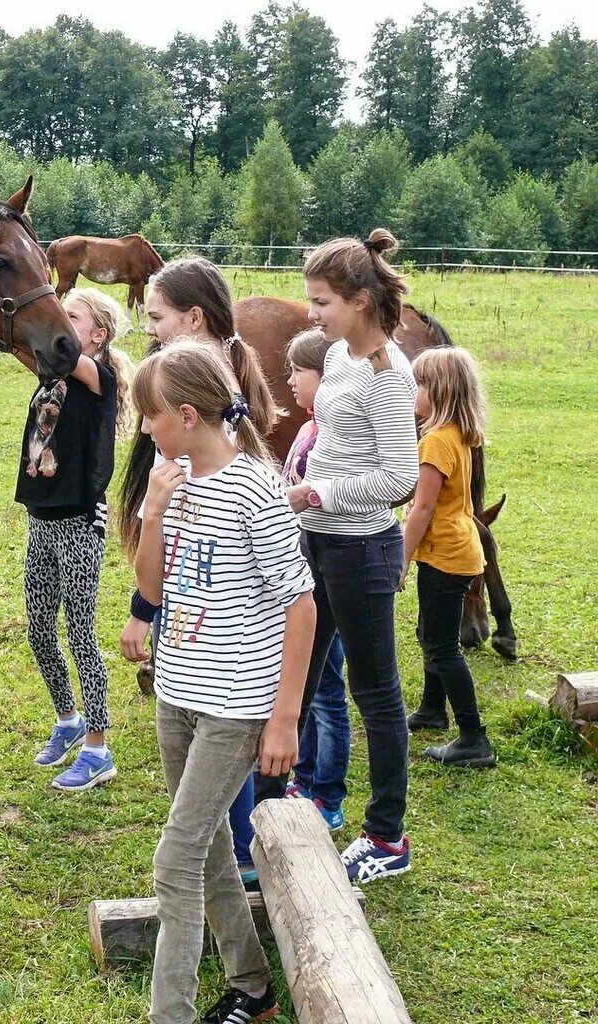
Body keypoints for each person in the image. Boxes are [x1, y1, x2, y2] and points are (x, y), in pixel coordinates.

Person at [133, 339, 315, 1024]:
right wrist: (152, 509)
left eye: (150, 415)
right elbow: (152, 588)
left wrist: (285, 718)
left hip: (234, 706)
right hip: (175, 693)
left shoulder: (254, 489)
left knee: (175, 861)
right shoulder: (172, 480)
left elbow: (302, 603)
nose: (144, 428)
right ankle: (253, 985)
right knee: (204, 847)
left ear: (186, 414)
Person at [115, 256, 280, 887]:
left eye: (156, 319)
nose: (150, 330)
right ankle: (225, 867)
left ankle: (237, 856)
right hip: (191, 630)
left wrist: (143, 609)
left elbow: (286, 595)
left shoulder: (209, 430)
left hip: (223, 650)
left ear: (194, 319)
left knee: (217, 763)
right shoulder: (193, 406)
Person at [275, 228, 420, 885]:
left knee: (375, 692)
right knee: (298, 675)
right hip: (318, 537)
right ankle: (276, 801)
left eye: (323, 301)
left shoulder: (391, 375)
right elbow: (332, 440)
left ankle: (386, 837)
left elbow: (399, 479)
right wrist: (296, 485)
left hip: (362, 549)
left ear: (361, 300)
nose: (312, 313)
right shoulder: (337, 358)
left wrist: (322, 491)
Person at [15, 287, 135, 792]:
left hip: (80, 521)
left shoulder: (98, 378)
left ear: (97, 334)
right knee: (39, 626)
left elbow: (67, 358)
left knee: (80, 630)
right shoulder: (53, 375)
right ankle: (68, 718)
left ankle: (98, 747)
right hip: (42, 517)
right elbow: (29, 347)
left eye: (71, 316)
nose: (59, 322)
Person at [401, 346, 497, 767]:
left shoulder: (436, 442)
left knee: (443, 646)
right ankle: (432, 709)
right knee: (434, 635)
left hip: (444, 554)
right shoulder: (459, 433)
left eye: (418, 385)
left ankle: (474, 737)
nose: (413, 392)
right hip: (456, 549)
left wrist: (400, 558)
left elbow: (422, 508)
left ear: (438, 392)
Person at [280, 328, 350, 833]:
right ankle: (302, 777)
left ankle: (328, 792)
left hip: (326, 568)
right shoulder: (308, 429)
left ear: (325, 380)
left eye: (296, 373)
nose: (288, 382)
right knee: (307, 680)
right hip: (305, 563)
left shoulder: (331, 437)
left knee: (327, 688)